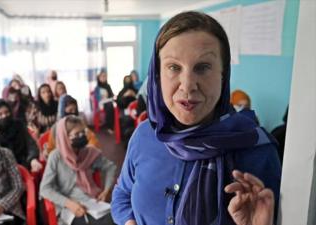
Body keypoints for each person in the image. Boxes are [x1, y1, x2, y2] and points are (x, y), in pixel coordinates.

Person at [111, 11, 281, 225]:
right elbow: (122, 194)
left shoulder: (256, 151)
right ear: (157, 75)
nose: (188, 84)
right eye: (173, 67)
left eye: (203, 68)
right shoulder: (145, 135)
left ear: (223, 75)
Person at [40, 116, 117, 225]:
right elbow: (45, 189)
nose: (82, 137)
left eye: (83, 132)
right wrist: (69, 204)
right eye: (77, 134)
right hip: (69, 205)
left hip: (93, 201)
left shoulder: (89, 152)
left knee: (116, 219)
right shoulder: (56, 157)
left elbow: (110, 167)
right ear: (65, 137)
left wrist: (106, 190)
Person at [0, 98, 43, 173]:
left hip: (26, 165)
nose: (4, 116)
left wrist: (32, 159)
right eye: (0, 114)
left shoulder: (18, 125)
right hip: (5, 171)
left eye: (7, 112)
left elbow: (30, 145)